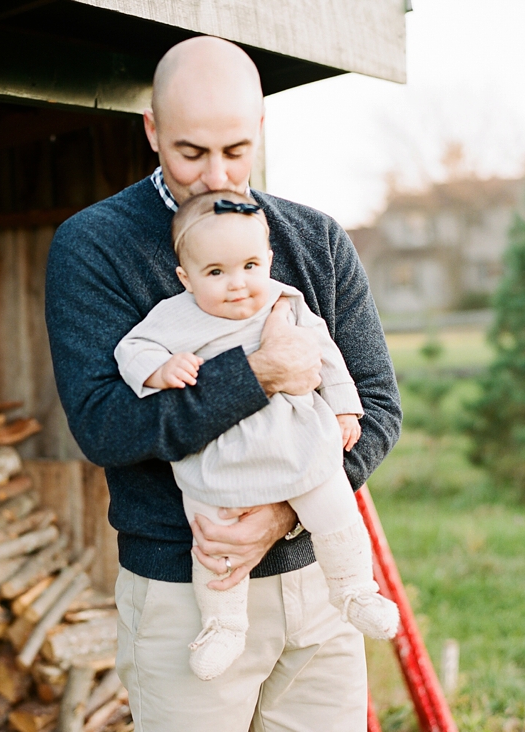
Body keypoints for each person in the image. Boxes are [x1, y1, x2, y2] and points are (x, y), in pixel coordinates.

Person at [45, 36, 402, 732]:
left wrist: (285, 516)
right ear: (152, 131)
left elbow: (378, 407)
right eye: (190, 153)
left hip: (319, 583)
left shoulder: (314, 239)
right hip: (186, 590)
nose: (215, 177)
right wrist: (258, 374)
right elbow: (103, 425)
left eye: (235, 151)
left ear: (260, 128)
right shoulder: (93, 247)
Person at [113, 190, 399, 681]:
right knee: (216, 540)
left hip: (297, 440)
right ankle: (222, 625)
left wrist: (346, 407)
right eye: (216, 273)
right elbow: (131, 348)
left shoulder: (284, 300)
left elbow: (326, 354)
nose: (238, 285)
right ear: (187, 278)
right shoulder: (174, 317)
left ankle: (354, 589)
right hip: (222, 456)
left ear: (267, 260)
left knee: (334, 505)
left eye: (249, 265)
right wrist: (160, 369)